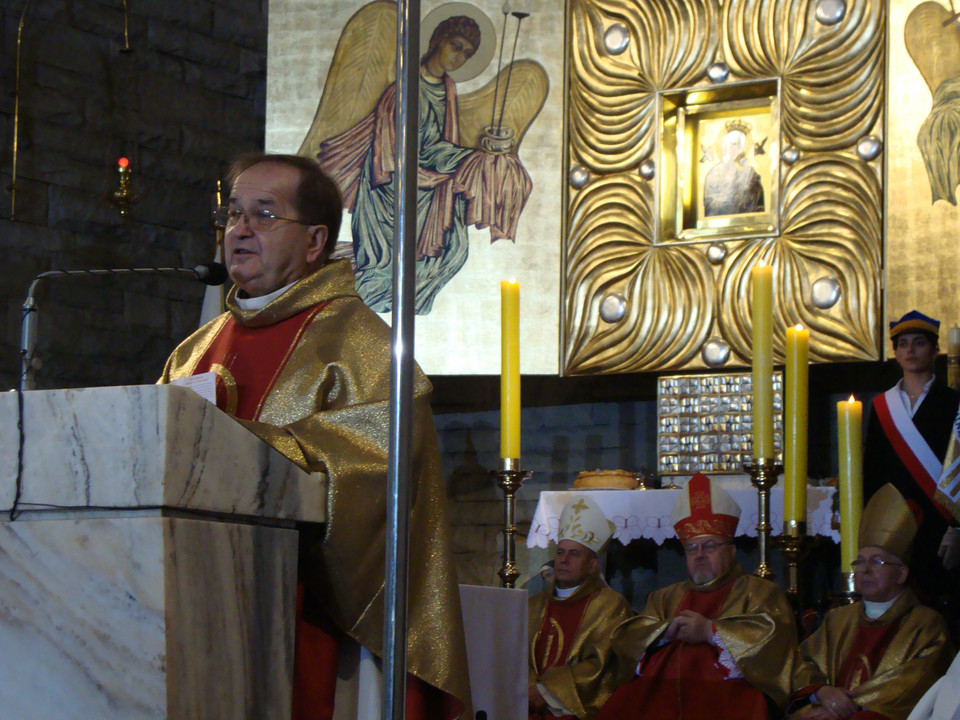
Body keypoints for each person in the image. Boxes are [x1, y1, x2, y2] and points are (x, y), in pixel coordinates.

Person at [159, 153, 470, 720]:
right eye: (233, 215)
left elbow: (380, 477)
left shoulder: (363, 344)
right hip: (198, 602)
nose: (240, 230)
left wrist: (252, 446)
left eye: (264, 214)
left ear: (314, 241)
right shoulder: (192, 352)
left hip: (313, 617)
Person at [317, 15, 532, 314]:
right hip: (390, 191)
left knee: (454, 248)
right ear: (436, 42)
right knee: (385, 272)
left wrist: (471, 157)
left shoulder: (447, 87)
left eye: (466, 54)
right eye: (455, 46)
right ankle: (366, 317)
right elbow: (395, 155)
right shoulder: (402, 91)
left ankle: (409, 308)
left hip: (429, 180)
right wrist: (454, 164)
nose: (459, 57)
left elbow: (436, 144)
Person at [593, 472, 797, 720]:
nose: (699, 554)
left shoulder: (759, 591)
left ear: (731, 552)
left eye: (710, 545)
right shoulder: (664, 597)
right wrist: (663, 633)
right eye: (692, 548)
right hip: (660, 696)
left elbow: (775, 648)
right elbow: (627, 641)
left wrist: (711, 632)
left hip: (727, 698)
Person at [788, 484, 953, 720]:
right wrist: (822, 693)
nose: (864, 570)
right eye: (860, 561)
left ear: (901, 573)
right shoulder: (838, 619)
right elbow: (802, 664)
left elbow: (915, 685)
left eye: (877, 562)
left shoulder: (926, 625)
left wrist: (844, 707)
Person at [863, 310, 960, 605]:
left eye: (919, 343)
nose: (910, 350)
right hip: (895, 524)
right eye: (903, 344)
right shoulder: (882, 407)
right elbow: (873, 471)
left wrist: (957, 529)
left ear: (934, 350)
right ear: (895, 353)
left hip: (940, 526)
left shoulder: (953, 403)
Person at [528, 497, 634, 720]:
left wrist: (545, 692)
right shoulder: (534, 604)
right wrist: (528, 689)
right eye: (560, 552)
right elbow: (513, 654)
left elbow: (602, 667)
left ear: (592, 565)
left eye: (574, 553)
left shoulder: (611, 606)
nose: (563, 560)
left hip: (572, 710)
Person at [702, 120, 765, 217]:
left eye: (741, 146)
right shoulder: (713, 174)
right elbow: (709, 206)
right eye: (734, 144)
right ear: (725, 146)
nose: (738, 149)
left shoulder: (750, 173)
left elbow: (758, 204)